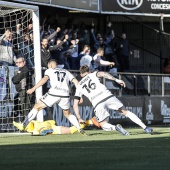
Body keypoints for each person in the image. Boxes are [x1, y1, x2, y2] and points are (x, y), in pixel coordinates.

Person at [73, 65, 153, 135]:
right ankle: (145, 128)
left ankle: (116, 128)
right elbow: (103, 74)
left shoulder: (79, 86)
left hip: (97, 102)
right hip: (107, 96)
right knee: (126, 112)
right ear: (89, 71)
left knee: (103, 124)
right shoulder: (93, 74)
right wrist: (116, 80)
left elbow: (75, 105)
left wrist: (79, 118)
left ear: (81, 74)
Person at [13, 59, 86, 135]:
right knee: (68, 113)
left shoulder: (50, 70)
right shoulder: (66, 71)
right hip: (65, 95)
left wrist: (33, 88)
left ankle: (23, 125)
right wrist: (80, 95)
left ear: (49, 65)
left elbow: (44, 79)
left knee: (37, 106)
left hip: (54, 93)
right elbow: (76, 82)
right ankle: (79, 127)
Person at [17, 117, 99, 136]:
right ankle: (90, 121)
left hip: (50, 129)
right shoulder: (32, 120)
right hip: (52, 127)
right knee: (71, 129)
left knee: (71, 130)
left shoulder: (32, 130)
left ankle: (90, 121)